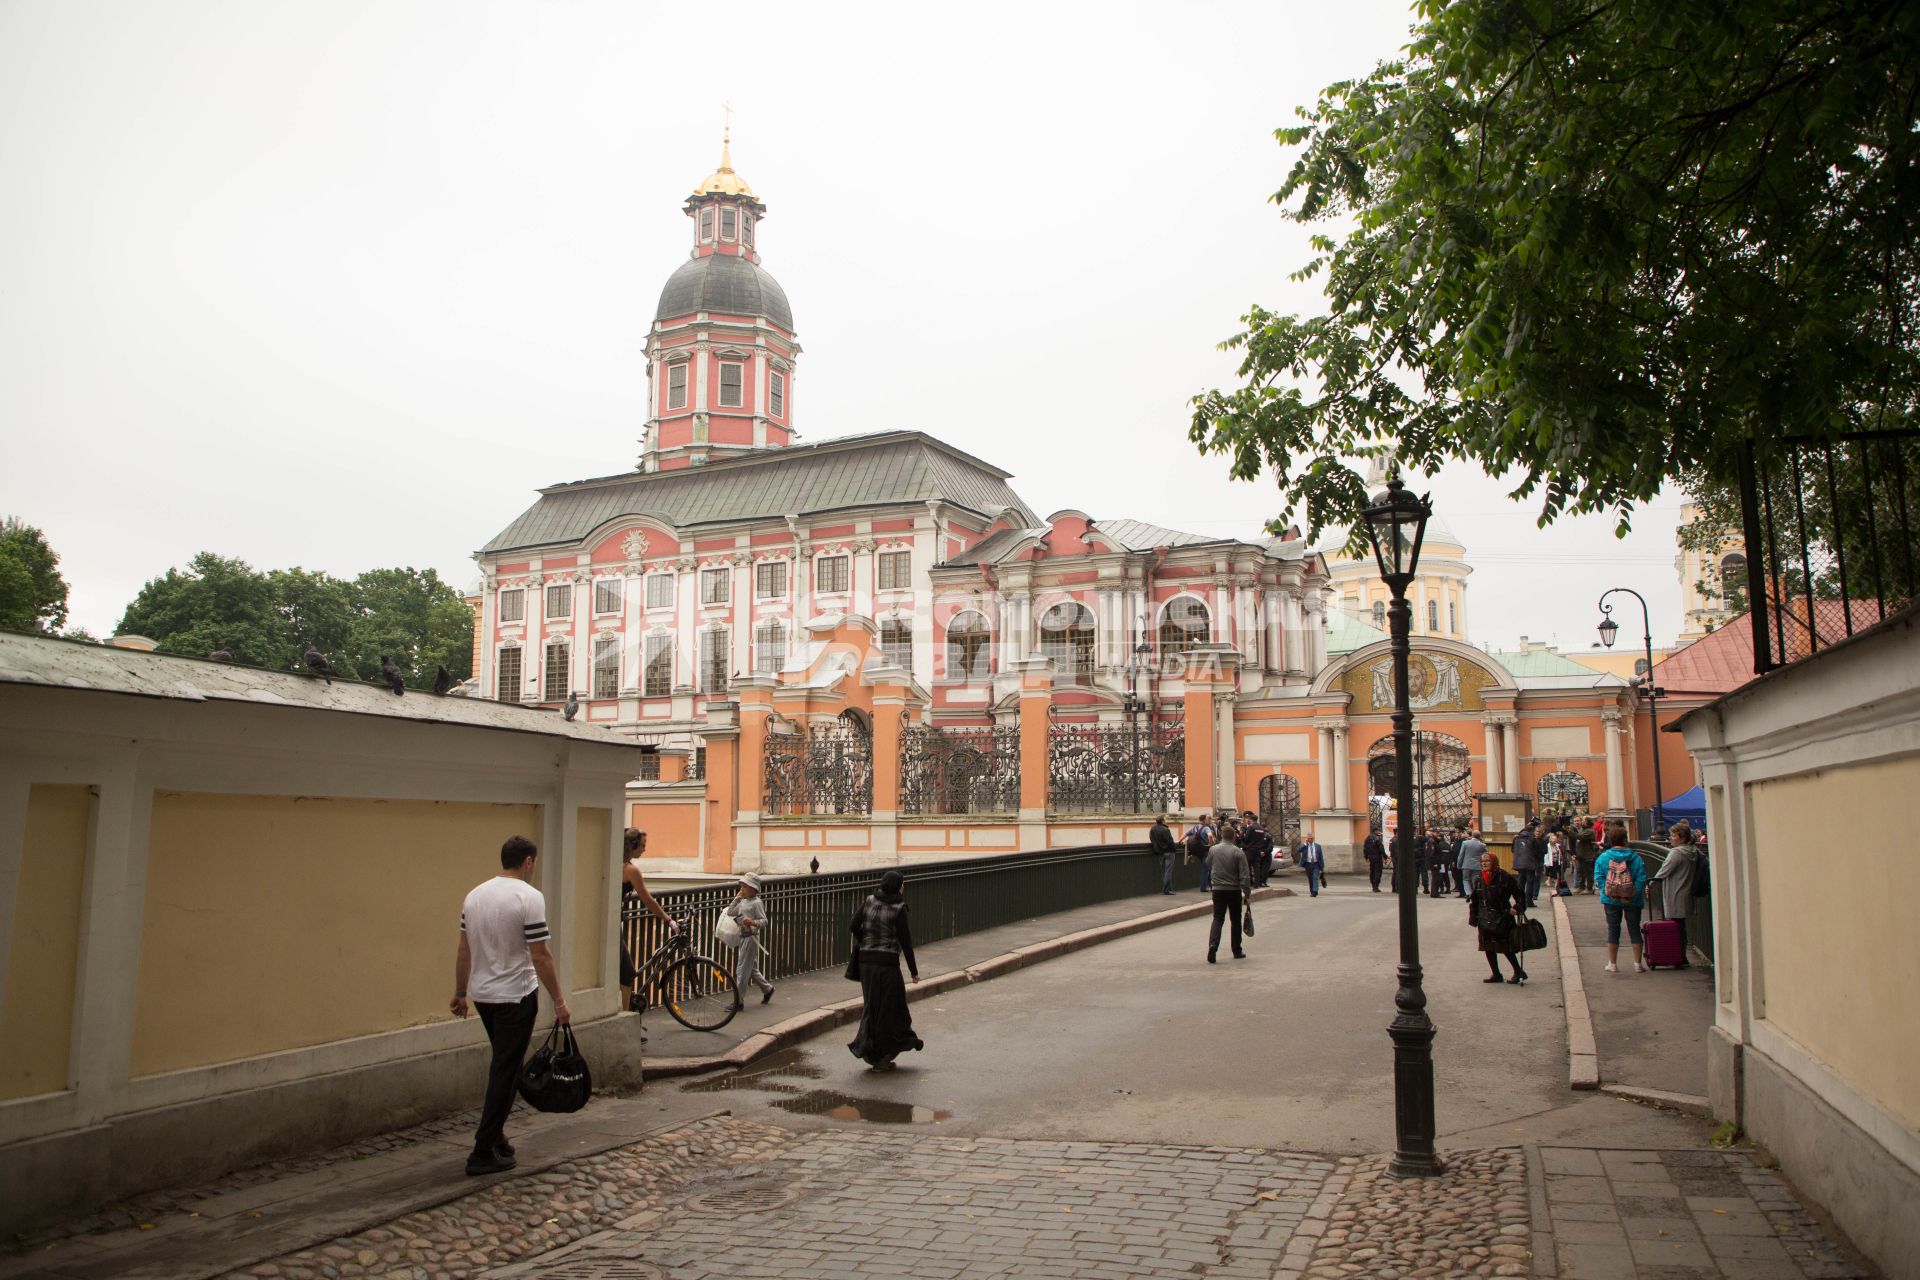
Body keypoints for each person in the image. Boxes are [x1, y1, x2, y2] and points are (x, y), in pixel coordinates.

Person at [450, 835, 569, 1177]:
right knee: (505, 1070)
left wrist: (460, 991)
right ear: (528, 862)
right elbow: (541, 955)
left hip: (484, 995)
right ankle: (482, 1149)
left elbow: (464, 949)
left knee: (506, 1065)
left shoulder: (474, 896)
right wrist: (559, 1001)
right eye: (535, 863)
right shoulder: (528, 897)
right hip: (516, 994)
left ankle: (497, 1139)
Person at [848, 870, 923, 1070]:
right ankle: (881, 1055)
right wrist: (913, 971)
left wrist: (865, 940)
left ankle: (870, 1050)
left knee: (872, 1006)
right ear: (898, 886)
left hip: (866, 962)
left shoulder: (869, 900)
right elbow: (905, 942)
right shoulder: (898, 908)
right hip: (887, 963)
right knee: (890, 1007)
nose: (903, 887)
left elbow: (854, 924)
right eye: (902, 884)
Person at [619, 829, 678, 1011]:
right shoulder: (630, 870)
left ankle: (625, 1015)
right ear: (633, 845)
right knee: (627, 972)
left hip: (612, 921)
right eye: (642, 845)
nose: (644, 849)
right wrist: (668, 919)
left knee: (623, 972)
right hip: (613, 924)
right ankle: (625, 1018)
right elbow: (647, 899)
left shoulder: (617, 863)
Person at [1592, 821, 1650, 973]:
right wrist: (1632, 893)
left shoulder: (1603, 858)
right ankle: (1638, 964)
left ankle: (1612, 964)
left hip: (1611, 899)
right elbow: (1641, 878)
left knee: (1613, 929)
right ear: (1626, 839)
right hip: (1632, 899)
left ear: (1610, 840)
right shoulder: (1635, 857)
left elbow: (1599, 877)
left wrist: (1609, 891)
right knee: (1634, 929)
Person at [1468, 846, 1528, 984]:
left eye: (1487, 861)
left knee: (1505, 946)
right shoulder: (1479, 879)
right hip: (1484, 918)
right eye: (1482, 861)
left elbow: (1519, 894)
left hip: (1502, 917)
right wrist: (1473, 916)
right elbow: (1475, 900)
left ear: (1494, 862)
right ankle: (1496, 974)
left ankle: (1518, 971)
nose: (1484, 864)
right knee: (1487, 946)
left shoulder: (1504, 876)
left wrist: (1517, 908)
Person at [1653, 823, 1705, 966]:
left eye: (1673, 835)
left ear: (1681, 838)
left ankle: (1678, 957)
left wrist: (1651, 884)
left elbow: (1664, 871)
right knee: (1680, 926)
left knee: (1676, 927)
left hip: (1675, 893)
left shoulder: (1676, 853)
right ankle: (1681, 956)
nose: (1670, 838)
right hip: (1686, 892)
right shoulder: (1692, 851)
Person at [723, 873, 775, 1008]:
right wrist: (736, 898)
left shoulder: (757, 903)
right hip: (743, 937)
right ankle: (768, 989)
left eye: (744, 887)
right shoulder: (743, 902)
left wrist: (752, 922)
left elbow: (764, 921)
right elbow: (730, 912)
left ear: (753, 888)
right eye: (741, 886)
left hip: (751, 938)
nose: (742, 889)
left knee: (741, 970)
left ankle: (738, 1001)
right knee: (751, 969)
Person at [1205, 822, 1252, 963]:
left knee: (1218, 918)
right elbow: (1245, 875)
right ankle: (1236, 950)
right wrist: (1247, 894)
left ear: (1222, 836)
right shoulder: (1238, 852)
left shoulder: (1213, 850)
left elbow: (1208, 864)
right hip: (1233, 890)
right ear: (1234, 837)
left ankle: (1213, 945)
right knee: (1235, 920)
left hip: (1217, 889)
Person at [1511, 819, 1544, 908]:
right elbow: (1539, 852)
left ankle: (1519, 901)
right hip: (1530, 863)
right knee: (1530, 881)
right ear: (1532, 830)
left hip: (1519, 863)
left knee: (1521, 882)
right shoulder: (1533, 839)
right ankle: (1528, 901)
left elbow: (1513, 850)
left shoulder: (1516, 838)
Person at [1184, 814, 1217, 892]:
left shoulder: (1195, 827)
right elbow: (1210, 836)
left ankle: (1211, 886)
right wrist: (1211, 844)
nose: (1209, 820)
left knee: (1207, 868)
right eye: (1208, 819)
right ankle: (1203, 887)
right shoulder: (1206, 828)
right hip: (1205, 850)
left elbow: (1185, 834)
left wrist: (1179, 841)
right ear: (1204, 820)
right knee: (1206, 869)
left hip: (1197, 851)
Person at [1149, 814, 1178, 895]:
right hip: (1169, 851)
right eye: (1165, 819)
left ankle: (1168, 888)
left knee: (1164, 871)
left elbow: (1151, 839)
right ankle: (1166, 890)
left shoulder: (1153, 829)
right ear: (1162, 821)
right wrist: (1174, 849)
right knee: (1168, 871)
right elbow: (1170, 841)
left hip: (1159, 852)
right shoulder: (1165, 829)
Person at [1456, 829, 1486, 898]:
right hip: (1477, 865)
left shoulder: (1465, 843)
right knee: (1475, 880)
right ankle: (1475, 893)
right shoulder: (1483, 845)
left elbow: (1461, 855)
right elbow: (1485, 855)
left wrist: (1459, 865)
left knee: (1466, 879)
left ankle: (1469, 893)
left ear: (1472, 835)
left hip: (1466, 865)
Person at [1574, 817, 1599, 894]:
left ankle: (1589, 888)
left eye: (1584, 821)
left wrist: (1571, 831)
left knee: (1588, 872)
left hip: (1587, 854)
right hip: (1582, 854)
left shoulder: (1589, 831)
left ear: (1588, 822)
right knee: (1581, 871)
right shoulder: (1584, 829)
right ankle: (1581, 887)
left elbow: (1579, 836)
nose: (1582, 822)